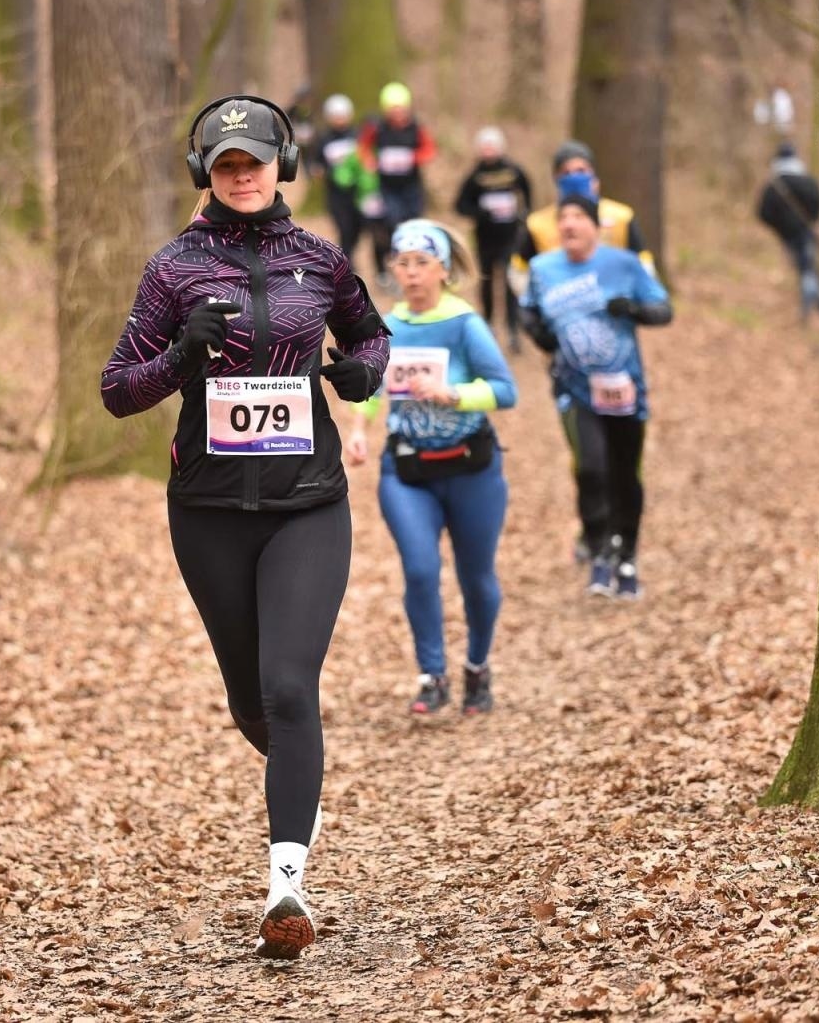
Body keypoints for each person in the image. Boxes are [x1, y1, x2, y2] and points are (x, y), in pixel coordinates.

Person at [100, 95, 390, 960]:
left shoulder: (321, 260)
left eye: (254, 161)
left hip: (309, 503)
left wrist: (361, 374)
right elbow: (119, 391)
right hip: (209, 513)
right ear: (205, 174)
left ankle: (286, 886)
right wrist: (182, 355)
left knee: (290, 689)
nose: (242, 175)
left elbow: (373, 337)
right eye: (225, 165)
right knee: (251, 701)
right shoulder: (173, 270)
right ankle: (297, 769)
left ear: (283, 165)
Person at [345, 219, 517, 716]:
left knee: (476, 577)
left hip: (471, 470)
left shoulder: (464, 323)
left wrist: (455, 394)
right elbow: (374, 387)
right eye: (403, 263)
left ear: (443, 270)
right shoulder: (388, 326)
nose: (412, 273)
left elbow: (506, 391)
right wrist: (359, 428)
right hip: (407, 470)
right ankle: (432, 674)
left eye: (423, 263)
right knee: (420, 570)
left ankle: (478, 667)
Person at [519, 189, 671, 600]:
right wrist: (538, 333)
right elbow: (527, 309)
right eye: (562, 218)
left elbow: (663, 309)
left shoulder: (624, 264)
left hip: (624, 387)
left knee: (625, 472)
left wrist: (635, 309)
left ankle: (628, 554)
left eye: (577, 218)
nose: (567, 225)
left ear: (595, 226)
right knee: (591, 469)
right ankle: (601, 548)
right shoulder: (543, 268)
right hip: (575, 388)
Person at [514, 140, 656, 276]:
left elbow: (643, 262)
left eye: (581, 170)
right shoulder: (537, 223)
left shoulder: (621, 217)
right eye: (566, 172)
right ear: (556, 178)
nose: (574, 177)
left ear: (593, 175)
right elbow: (519, 270)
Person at [454, 126, 533, 352]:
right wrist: (480, 213)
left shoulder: (513, 171)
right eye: (484, 147)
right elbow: (460, 204)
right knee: (487, 281)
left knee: (510, 282)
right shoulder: (475, 176)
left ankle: (513, 330)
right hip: (485, 239)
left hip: (510, 238)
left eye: (492, 147)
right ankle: (488, 324)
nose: (488, 151)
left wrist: (524, 214)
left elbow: (527, 192)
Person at [359, 82, 436, 285]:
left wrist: (413, 157)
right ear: (386, 110)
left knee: (415, 226)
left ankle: (417, 268)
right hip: (387, 188)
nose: (398, 114)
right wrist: (370, 162)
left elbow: (429, 150)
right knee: (392, 226)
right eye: (394, 109)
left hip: (411, 187)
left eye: (401, 109)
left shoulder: (416, 127)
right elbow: (364, 148)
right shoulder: (377, 128)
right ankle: (394, 268)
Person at [755, 141, 819, 320]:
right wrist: (811, 220)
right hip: (806, 233)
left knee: (804, 269)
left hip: (787, 237)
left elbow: (763, 213)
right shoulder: (807, 181)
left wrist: (780, 228)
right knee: (807, 268)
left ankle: (810, 308)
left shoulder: (773, 185)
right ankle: (818, 306)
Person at [312, 94, 379, 268]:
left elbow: (368, 156)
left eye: (342, 114)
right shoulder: (324, 139)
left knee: (359, 228)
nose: (339, 119)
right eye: (335, 115)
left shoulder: (357, 135)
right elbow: (316, 163)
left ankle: (351, 257)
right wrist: (320, 171)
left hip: (358, 192)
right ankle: (348, 264)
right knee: (344, 229)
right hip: (336, 194)